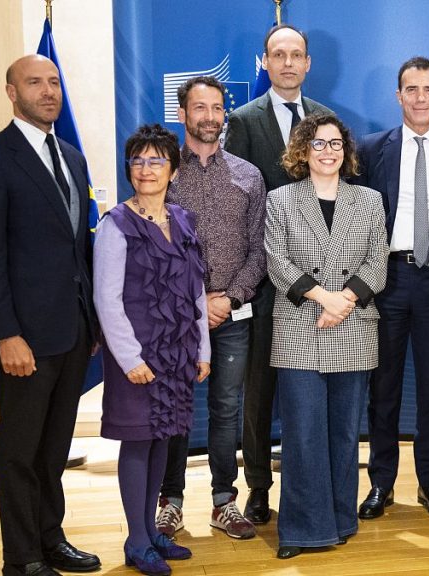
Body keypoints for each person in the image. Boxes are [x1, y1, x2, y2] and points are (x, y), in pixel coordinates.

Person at [0, 54, 101, 576]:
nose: (48, 91)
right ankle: (22, 560)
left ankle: (51, 537)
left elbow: (76, 247)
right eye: (34, 83)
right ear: (11, 92)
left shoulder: (70, 155)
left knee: (53, 450)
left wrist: (91, 320)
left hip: (72, 329)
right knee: (20, 452)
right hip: (25, 337)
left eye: (54, 82)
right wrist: (5, 335)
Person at [222, 24, 335, 525]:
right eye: (278, 55)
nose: (288, 63)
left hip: (323, 287)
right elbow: (239, 205)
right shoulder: (243, 121)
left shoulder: (328, 122)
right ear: (263, 62)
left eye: (297, 55)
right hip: (268, 282)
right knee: (260, 391)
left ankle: (311, 486)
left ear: (308, 63)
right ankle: (259, 488)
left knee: (310, 393)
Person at [353, 56, 429, 520]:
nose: (420, 98)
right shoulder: (368, 150)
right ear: (398, 95)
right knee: (382, 389)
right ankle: (381, 483)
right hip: (385, 279)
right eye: (411, 89)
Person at [265, 113, 388, 560]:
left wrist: (345, 301)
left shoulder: (369, 200)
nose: (328, 151)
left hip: (353, 328)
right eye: (318, 144)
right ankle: (301, 530)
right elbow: (276, 262)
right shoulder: (280, 200)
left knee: (343, 434)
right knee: (302, 434)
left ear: (347, 151)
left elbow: (379, 263)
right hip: (300, 327)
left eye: (336, 144)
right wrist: (324, 298)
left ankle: (340, 519)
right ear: (302, 151)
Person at [94, 124, 209, 575]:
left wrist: (203, 350)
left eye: (156, 160)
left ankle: (150, 530)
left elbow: (196, 291)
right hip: (137, 356)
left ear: (173, 170)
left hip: (177, 353)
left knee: (163, 438)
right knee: (138, 442)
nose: (146, 169)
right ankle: (136, 540)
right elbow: (107, 299)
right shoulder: (115, 225)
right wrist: (129, 359)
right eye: (138, 161)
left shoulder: (182, 220)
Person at [157, 76, 267, 540]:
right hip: (177, 318)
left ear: (226, 114)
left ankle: (225, 501)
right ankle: (169, 502)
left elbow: (261, 250)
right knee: (176, 408)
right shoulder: (161, 174)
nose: (209, 117)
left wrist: (228, 297)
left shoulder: (248, 175)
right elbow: (151, 247)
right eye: (199, 108)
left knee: (226, 409)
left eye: (217, 108)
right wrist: (195, 301)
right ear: (182, 115)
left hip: (232, 315)